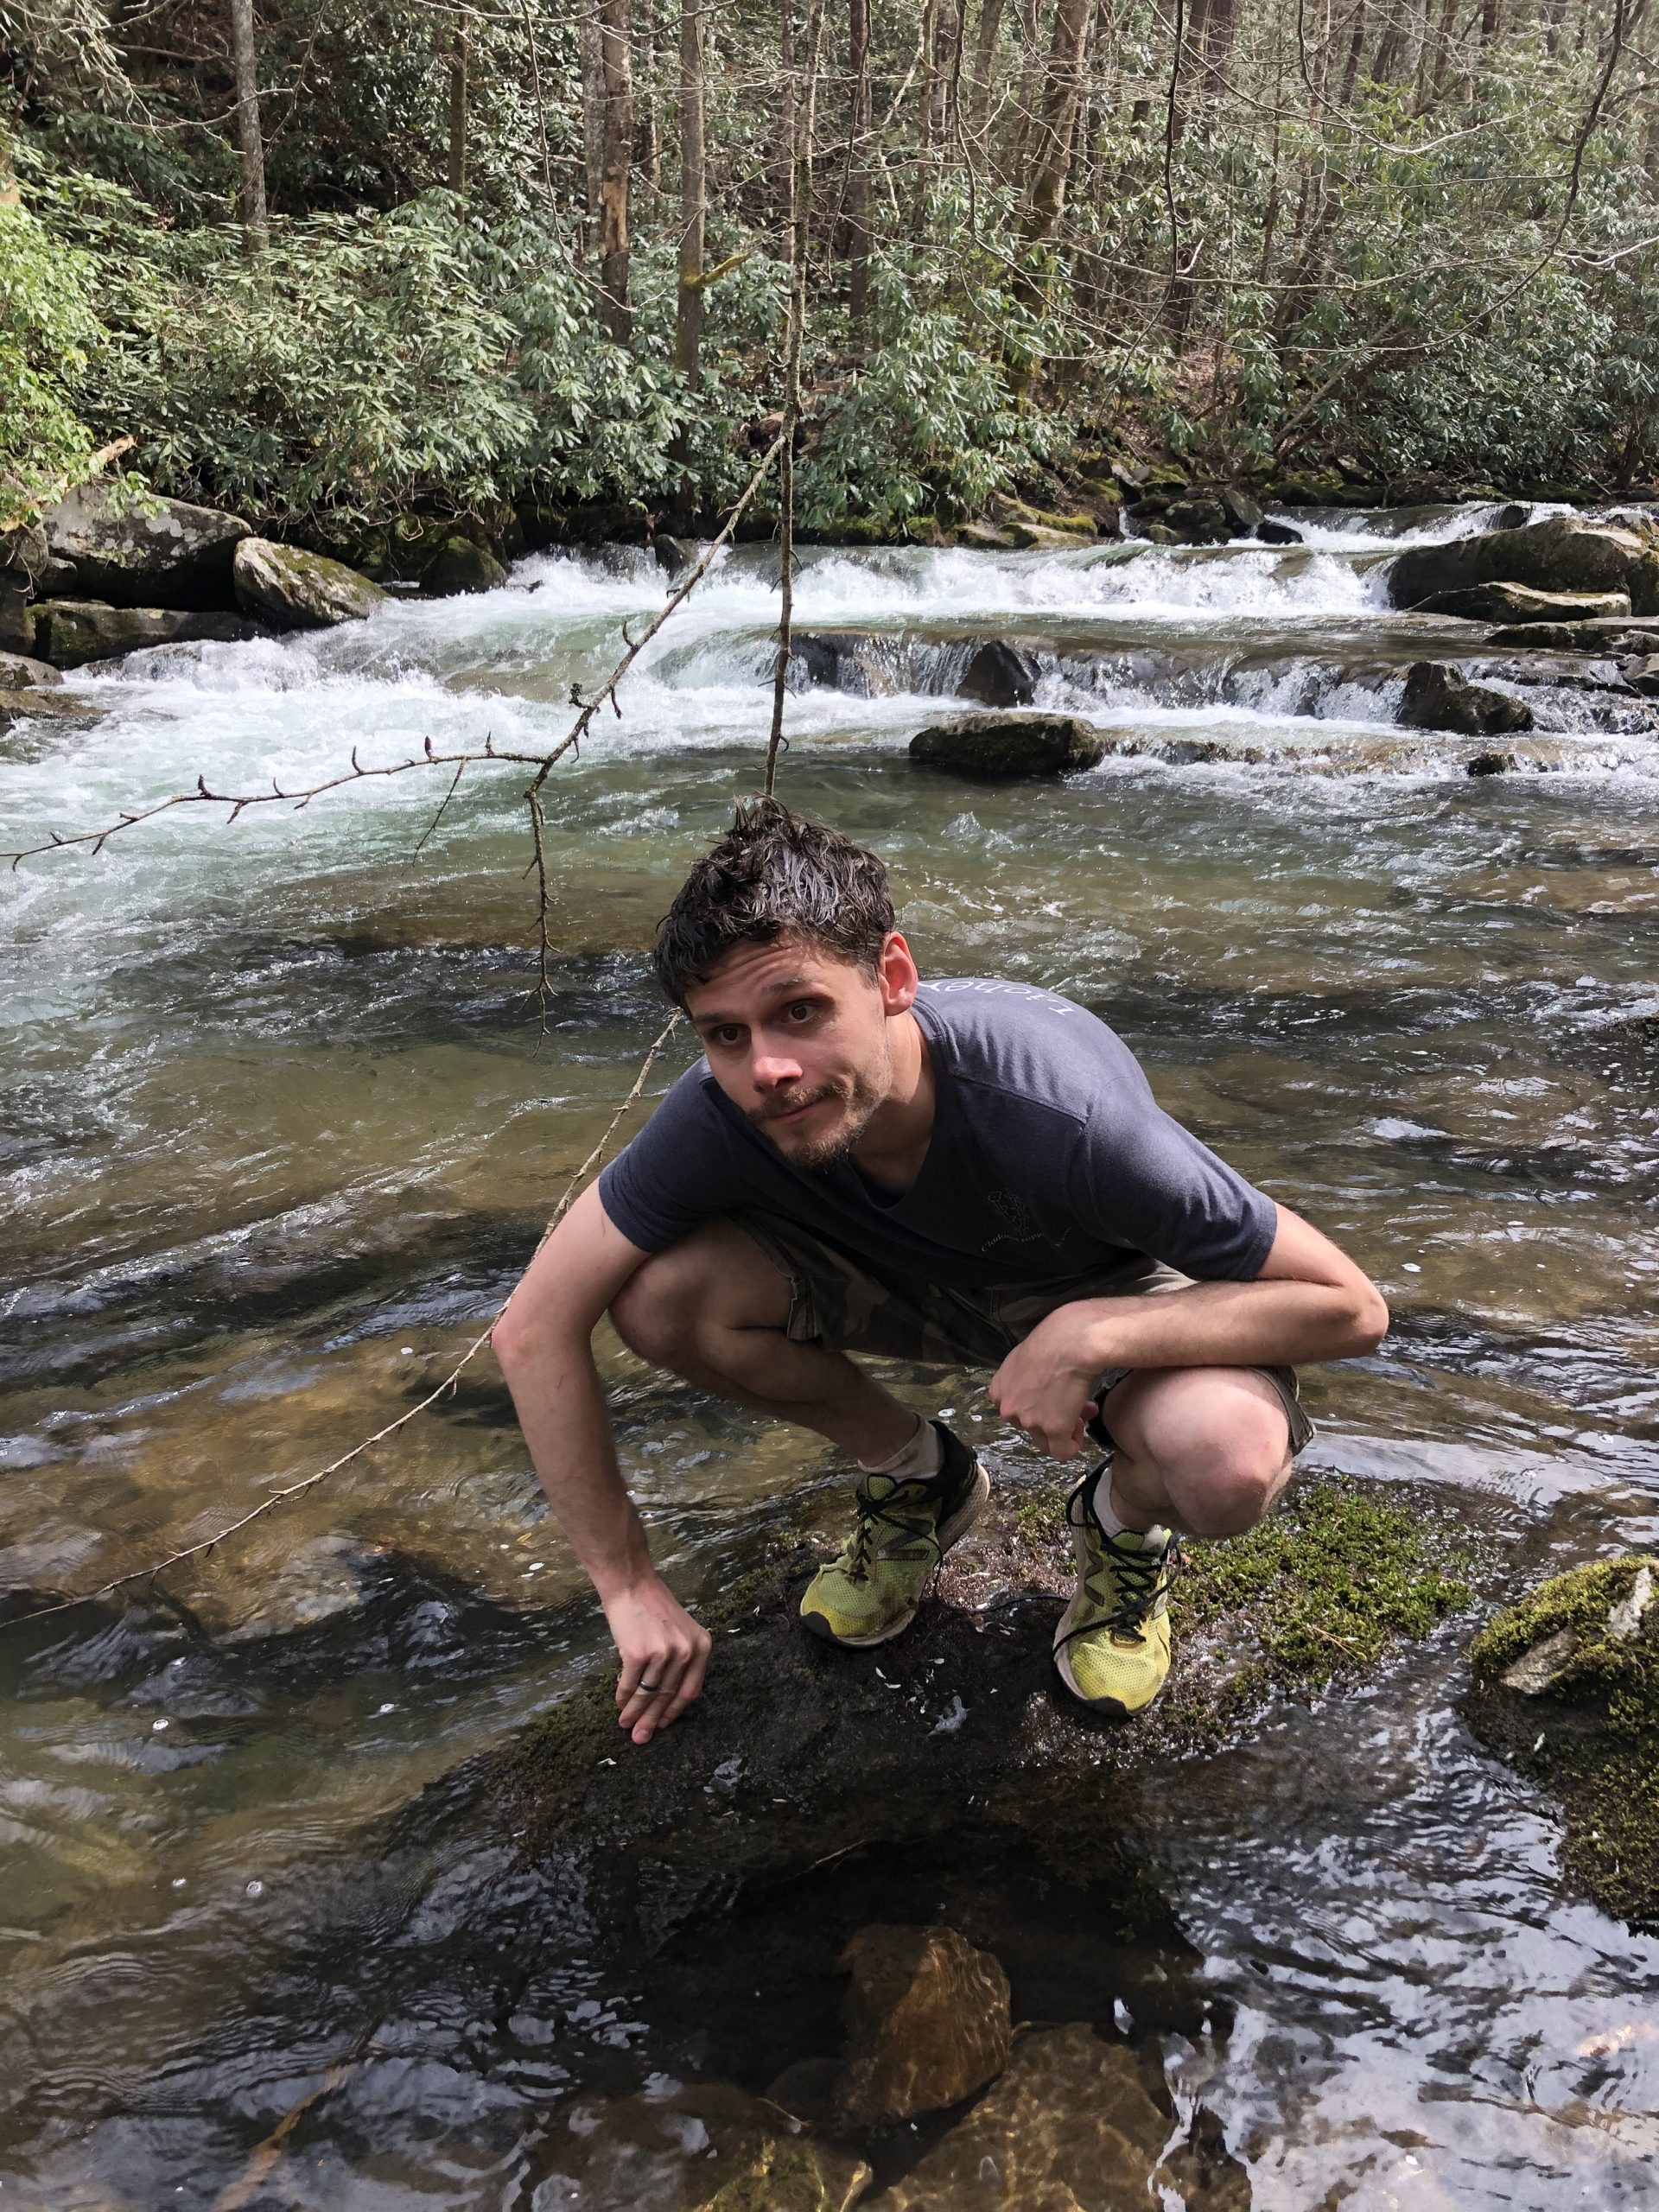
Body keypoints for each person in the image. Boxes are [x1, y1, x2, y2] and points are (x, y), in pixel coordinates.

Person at [493, 801, 1389, 1747]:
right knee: (656, 1295)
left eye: (801, 1011)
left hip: (1104, 1281)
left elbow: (1351, 1306)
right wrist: (628, 1583)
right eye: (725, 1035)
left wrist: (1090, 1334)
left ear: (892, 976)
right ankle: (919, 1477)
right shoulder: (724, 1109)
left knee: (1228, 1460)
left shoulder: (1063, 1113)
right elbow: (532, 1326)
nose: (769, 1070)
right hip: (910, 1281)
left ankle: (1123, 1528)